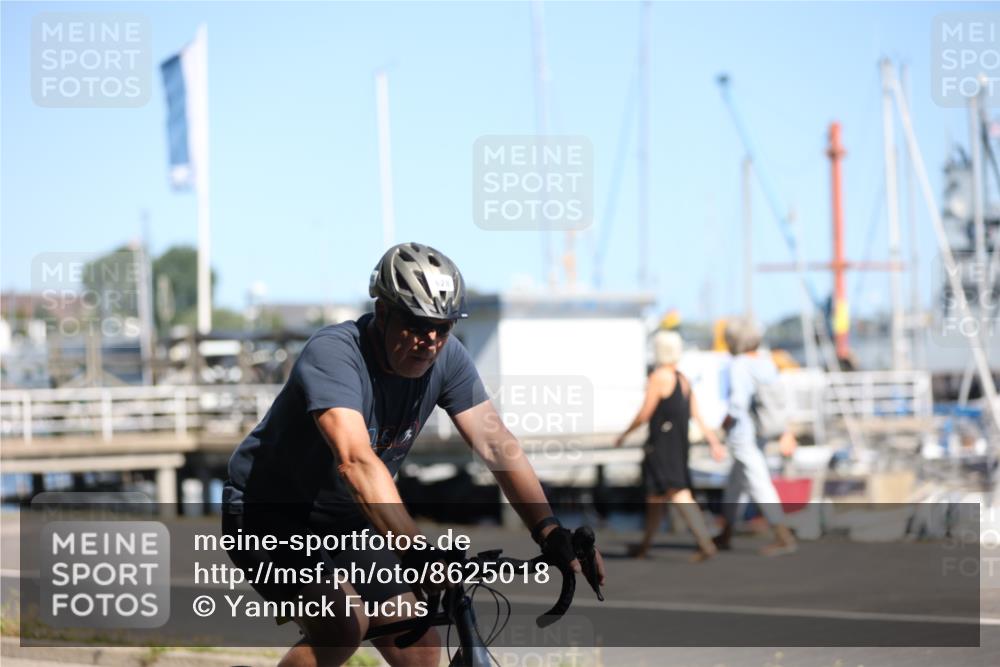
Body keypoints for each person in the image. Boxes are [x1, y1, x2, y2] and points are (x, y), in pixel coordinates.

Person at [222, 242, 605, 667]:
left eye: (444, 327)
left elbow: (497, 444)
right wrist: (415, 551)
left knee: (420, 645)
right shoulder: (335, 354)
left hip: (348, 521)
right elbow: (357, 462)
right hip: (268, 514)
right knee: (341, 625)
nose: (431, 340)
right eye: (419, 325)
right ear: (383, 312)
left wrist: (548, 530)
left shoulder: (447, 358)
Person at [614, 330, 727, 562]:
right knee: (655, 496)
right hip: (678, 443)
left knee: (678, 493)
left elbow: (645, 413)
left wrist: (624, 434)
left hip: (662, 446)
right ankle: (644, 546)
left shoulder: (659, 377)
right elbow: (697, 415)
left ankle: (706, 543)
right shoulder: (682, 379)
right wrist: (714, 441)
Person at [713, 316, 798, 556]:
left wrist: (723, 423)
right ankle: (726, 532)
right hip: (762, 429)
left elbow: (737, 403)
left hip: (743, 433)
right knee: (736, 483)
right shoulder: (765, 361)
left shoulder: (739, 364)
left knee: (759, 482)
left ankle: (783, 535)